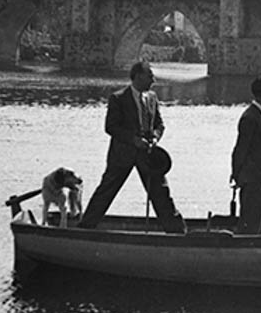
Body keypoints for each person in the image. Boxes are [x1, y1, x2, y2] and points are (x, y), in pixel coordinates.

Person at [78, 61, 187, 232]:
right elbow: (111, 127)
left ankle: (177, 232)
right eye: (150, 75)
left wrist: (155, 138)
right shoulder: (118, 98)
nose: (153, 79)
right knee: (106, 191)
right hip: (123, 155)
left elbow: (159, 124)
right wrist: (133, 140)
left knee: (161, 194)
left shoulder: (152, 97)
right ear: (138, 76)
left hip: (148, 155)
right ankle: (84, 228)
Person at [230, 75, 261, 234]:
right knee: (250, 218)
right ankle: (246, 248)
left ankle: (254, 241)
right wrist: (237, 174)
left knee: (258, 218)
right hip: (252, 178)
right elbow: (240, 149)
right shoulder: (250, 117)